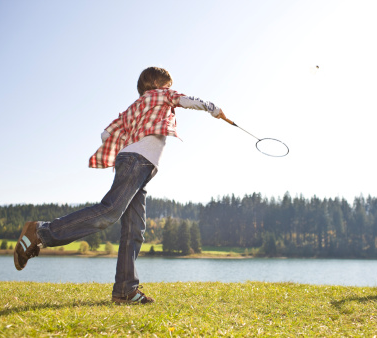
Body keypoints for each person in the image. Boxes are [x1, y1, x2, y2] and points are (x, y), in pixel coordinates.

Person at [14, 66, 226, 304]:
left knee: (134, 228)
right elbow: (188, 100)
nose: (170, 88)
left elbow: (106, 134)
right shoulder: (163, 94)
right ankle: (40, 232)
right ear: (158, 84)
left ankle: (125, 290)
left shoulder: (133, 108)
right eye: (167, 84)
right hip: (138, 162)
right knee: (110, 211)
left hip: (133, 163)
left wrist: (130, 135)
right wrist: (214, 109)